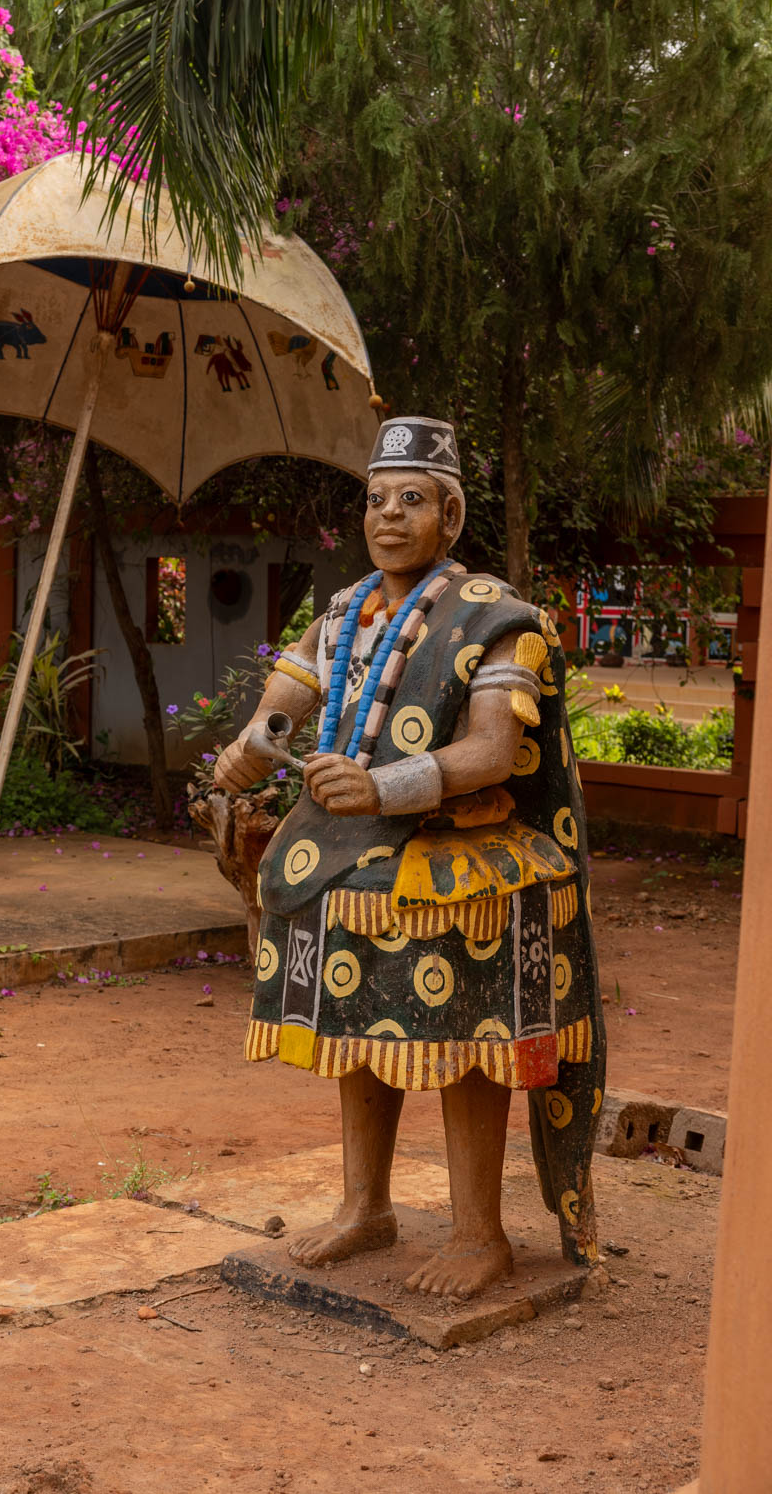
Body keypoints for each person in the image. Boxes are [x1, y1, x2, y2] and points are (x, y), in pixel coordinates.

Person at [214, 418, 605, 1297]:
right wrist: (255, 740)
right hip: (350, 853)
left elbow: (494, 752)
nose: (388, 516)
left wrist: (386, 786)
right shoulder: (345, 611)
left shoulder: (499, 619)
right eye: (376, 499)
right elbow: (286, 700)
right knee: (356, 1026)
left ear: (450, 516)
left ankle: (479, 1232)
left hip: (462, 855)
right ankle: (367, 1206)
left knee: (470, 1038)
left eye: (412, 499)